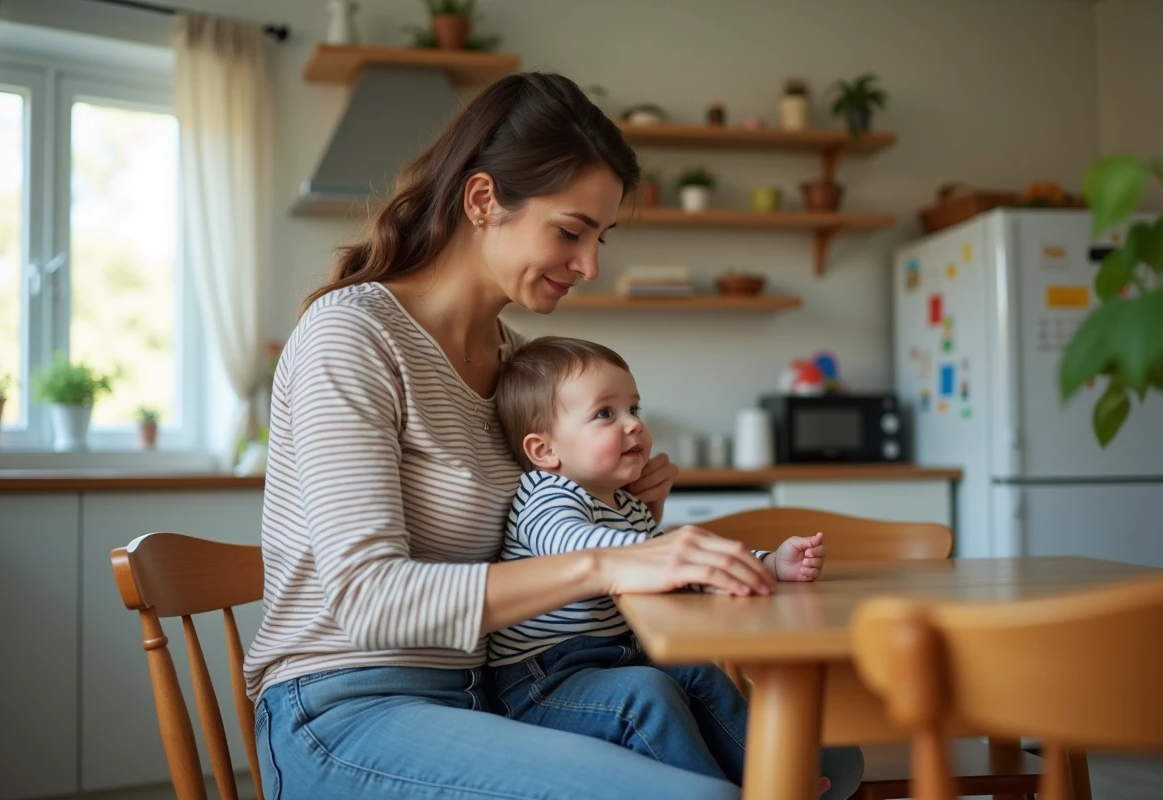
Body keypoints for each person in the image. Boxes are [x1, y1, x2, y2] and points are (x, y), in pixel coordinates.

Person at [245, 70, 864, 799]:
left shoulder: (516, 366)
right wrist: (604, 564)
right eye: (570, 232)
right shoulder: (352, 335)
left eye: (601, 237)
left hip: (492, 692)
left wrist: (618, 511)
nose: (591, 265)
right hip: (346, 710)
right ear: (483, 200)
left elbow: (536, 540)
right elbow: (369, 598)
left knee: (833, 761)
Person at [489, 335, 850, 792]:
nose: (633, 425)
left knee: (698, 669)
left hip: (614, 660)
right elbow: (574, 548)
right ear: (545, 451)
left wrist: (769, 563)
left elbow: (679, 565)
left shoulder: (627, 505)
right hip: (541, 681)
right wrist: (651, 555)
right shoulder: (545, 495)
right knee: (646, 695)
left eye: (633, 410)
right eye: (605, 414)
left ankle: (775, 781)